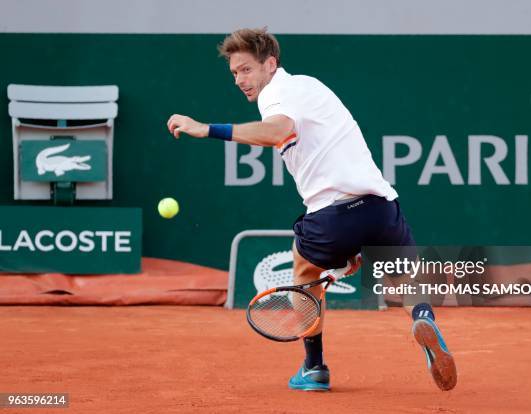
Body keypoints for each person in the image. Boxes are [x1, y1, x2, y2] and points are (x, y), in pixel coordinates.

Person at [166, 27, 456, 392]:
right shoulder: (309, 86)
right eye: (235, 73)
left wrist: (205, 129)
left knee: (304, 272)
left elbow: (277, 132)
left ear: (270, 64)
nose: (240, 80)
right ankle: (423, 318)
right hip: (381, 208)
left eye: (246, 70)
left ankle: (314, 367)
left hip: (331, 217)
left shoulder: (276, 94)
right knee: (404, 279)